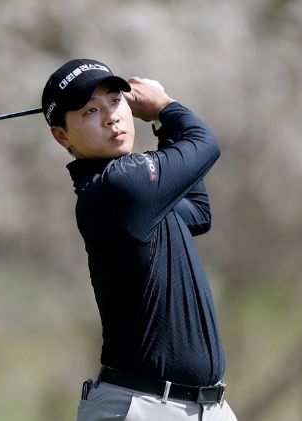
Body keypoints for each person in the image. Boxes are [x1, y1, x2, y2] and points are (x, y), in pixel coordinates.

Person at [42, 58, 237, 421]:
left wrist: (163, 124)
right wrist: (165, 107)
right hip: (143, 407)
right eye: (90, 110)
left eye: (116, 101)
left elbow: (198, 212)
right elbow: (205, 144)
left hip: (203, 408)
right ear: (62, 136)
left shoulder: (135, 194)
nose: (111, 117)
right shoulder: (117, 187)